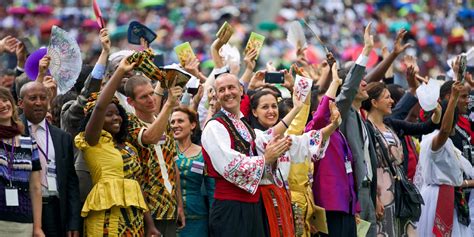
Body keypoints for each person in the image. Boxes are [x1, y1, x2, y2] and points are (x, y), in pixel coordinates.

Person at [202, 73, 293, 237]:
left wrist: (272, 155)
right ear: (216, 95)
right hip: (230, 207)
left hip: (253, 204)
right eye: (221, 90)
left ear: (241, 90)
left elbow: (267, 140)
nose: (227, 92)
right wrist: (266, 158)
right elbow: (231, 166)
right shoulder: (214, 126)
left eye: (231, 87)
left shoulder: (244, 124)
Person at [248, 84, 340, 236]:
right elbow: (271, 135)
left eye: (273, 106)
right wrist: (296, 108)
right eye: (265, 107)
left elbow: (308, 140)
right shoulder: (254, 136)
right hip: (262, 203)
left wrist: (334, 125)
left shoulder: (285, 139)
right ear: (254, 112)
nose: (271, 111)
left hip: (284, 200)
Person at [75, 57, 152, 236]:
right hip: (106, 219)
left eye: (117, 114)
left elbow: (137, 187)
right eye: (109, 115)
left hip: (133, 220)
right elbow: (100, 107)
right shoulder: (92, 141)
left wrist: (150, 225)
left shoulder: (129, 148)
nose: (116, 118)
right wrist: (119, 73)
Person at [362, 81, 441, 236]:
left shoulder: (391, 124)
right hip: (380, 192)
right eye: (387, 97)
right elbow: (365, 164)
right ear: (374, 102)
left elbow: (424, 128)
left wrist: (437, 112)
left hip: (400, 190)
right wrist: (375, 198)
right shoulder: (366, 128)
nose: (392, 101)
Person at [125, 74, 185, 236]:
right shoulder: (130, 123)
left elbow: (173, 166)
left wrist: (179, 205)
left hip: (170, 207)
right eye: (144, 97)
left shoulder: (163, 121)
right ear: (131, 102)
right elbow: (149, 137)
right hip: (146, 210)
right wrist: (169, 106)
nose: (151, 99)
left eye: (152, 93)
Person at [18, 82, 81, 236]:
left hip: (56, 210)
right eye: (33, 98)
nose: (38, 102)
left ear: (49, 101)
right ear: (20, 103)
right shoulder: (13, 133)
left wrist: (73, 222)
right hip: (24, 210)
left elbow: (71, 182)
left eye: (43, 98)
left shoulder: (62, 137)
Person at [305, 63, 358, 237]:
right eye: (328, 106)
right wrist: (334, 82)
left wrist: (355, 206)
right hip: (330, 205)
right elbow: (321, 116)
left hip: (347, 205)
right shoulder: (314, 130)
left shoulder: (339, 134)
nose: (333, 109)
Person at [415, 80, 473, 237]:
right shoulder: (434, 139)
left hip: (450, 197)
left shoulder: (448, 143)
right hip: (438, 198)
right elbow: (445, 130)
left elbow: (456, 178)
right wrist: (453, 98)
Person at [0, 87, 44, 236]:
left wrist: (37, 227)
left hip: (23, 220)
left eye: (5, 100)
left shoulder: (29, 143)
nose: (2, 104)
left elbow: (36, 188)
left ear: (12, 105)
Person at [171, 106, 215, 237]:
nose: (175, 125)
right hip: (170, 216)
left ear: (192, 125)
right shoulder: (166, 151)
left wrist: (215, 219)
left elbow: (212, 188)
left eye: (180, 121)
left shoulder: (203, 153)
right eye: (172, 122)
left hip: (197, 216)